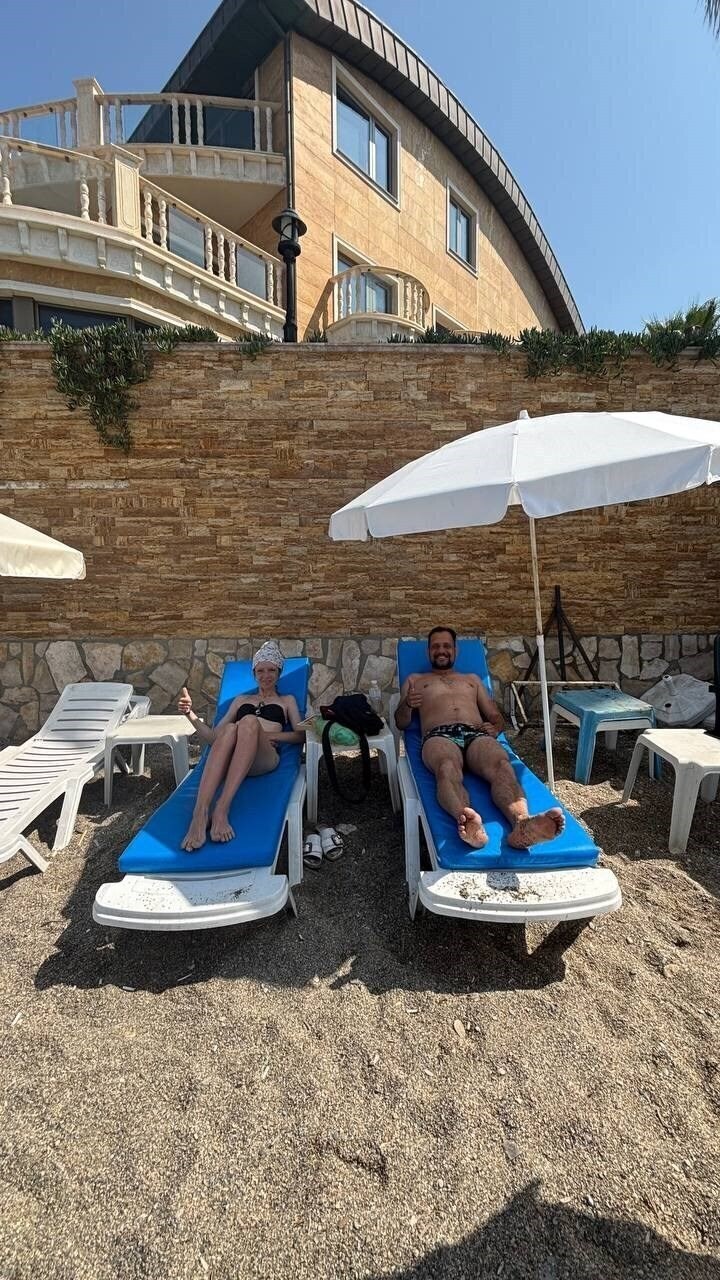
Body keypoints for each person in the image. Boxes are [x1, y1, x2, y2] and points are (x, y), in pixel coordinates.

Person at [395, 626, 565, 850]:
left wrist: (496, 727)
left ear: (455, 650)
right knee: (446, 767)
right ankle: (468, 822)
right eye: (435, 646)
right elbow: (401, 722)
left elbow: (495, 716)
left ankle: (522, 825)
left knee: (502, 765)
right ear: (428, 652)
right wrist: (407, 705)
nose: (441, 650)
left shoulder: (472, 680)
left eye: (446, 646)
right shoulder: (415, 681)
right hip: (439, 735)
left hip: (476, 733)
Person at [177, 641, 305, 852]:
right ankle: (200, 814)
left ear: (279, 672)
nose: (266, 675)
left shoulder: (286, 700)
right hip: (234, 758)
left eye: (271, 670)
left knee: (247, 722)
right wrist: (189, 714)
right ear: (254, 673)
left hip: (264, 757)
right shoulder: (241, 700)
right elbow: (214, 738)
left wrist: (268, 735)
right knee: (229, 729)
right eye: (260, 671)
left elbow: (300, 735)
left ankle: (221, 808)